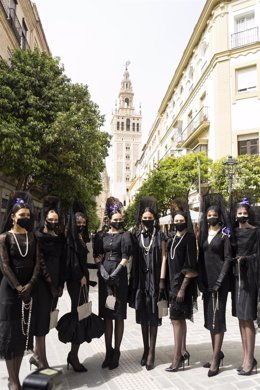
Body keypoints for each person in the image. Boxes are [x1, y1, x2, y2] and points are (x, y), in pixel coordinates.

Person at [0, 192, 40, 390]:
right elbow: (4, 266)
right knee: (9, 335)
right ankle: (13, 380)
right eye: (22, 215)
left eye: (27, 215)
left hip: (28, 291)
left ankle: (15, 376)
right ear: (13, 217)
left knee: (21, 334)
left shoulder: (33, 237)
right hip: (10, 291)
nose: (26, 218)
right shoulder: (4, 238)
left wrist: (30, 285)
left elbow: (37, 264)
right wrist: (18, 287)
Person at [93, 197, 132, 370]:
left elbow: (126, 257)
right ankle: (108, 351)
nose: (117, 222)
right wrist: (102, 270)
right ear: (108, 220)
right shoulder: (101, 236)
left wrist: (114, 274)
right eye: (114, 219)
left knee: (118, 316)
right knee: (107, 316)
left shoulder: (125, 235)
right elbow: (97, 255)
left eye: (119, 219)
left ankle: (117, 352)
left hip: (119, 278)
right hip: (104, 278)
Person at [129, 196, 166, 370]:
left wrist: (161, 280)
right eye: (145, 218)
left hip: (155, 281)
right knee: (143, 317)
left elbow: (164, 257)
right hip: (141, 283)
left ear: (154, 219)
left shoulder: (160, 235)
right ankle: (145, 349)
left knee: (153, 317)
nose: (147, 220)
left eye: (150, 218)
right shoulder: (136, 235)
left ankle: (152, 352)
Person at [198, 194, 232, 377]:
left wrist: (220, 280)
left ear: (219, 216)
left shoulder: (225, 234)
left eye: (214, 215)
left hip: (220, 282)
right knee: (210, 319)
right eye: (208, 215)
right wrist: (201, 280)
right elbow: (201, 259)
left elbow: (228, 259)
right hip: (207, 283)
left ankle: (216, 360)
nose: (211, 217)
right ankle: (216, 354)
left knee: (218, 320)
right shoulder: (204, 234)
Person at [161, 206, 198, 373]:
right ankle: (183, 352)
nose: (178, 223)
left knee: (176, 319)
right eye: (176, 221)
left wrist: (182, 288)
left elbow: (191, 265)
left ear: (186, 222)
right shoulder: (171, 239)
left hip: (182, 285)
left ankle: (176, 358)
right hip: (171, 283)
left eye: (181, 221)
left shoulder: (189, 238)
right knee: (179, 319)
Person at [30, 196, 65, 369]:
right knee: (41, 322)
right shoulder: (38, 235)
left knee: (47, 320)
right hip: (42, 285)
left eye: (56, 220)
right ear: (44, 218)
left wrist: (60, 284)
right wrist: (51, 284)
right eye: (50, 219)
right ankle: (42, 361)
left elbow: (61, 261)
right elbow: (40, 262)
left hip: (56, 285)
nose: (53, 222)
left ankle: (37, 355)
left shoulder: (59, 237)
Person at [231, 198, 260, 375]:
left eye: (244, 213)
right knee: (241, 318)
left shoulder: (256, 232)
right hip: (237, 278)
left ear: (249, 214)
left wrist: (247, 259)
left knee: (248, 318)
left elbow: (259, 255)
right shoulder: (232, 233)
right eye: (239, 213)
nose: (242, 216)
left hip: (250, 279)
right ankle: (245, 357)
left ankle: (250, 359)